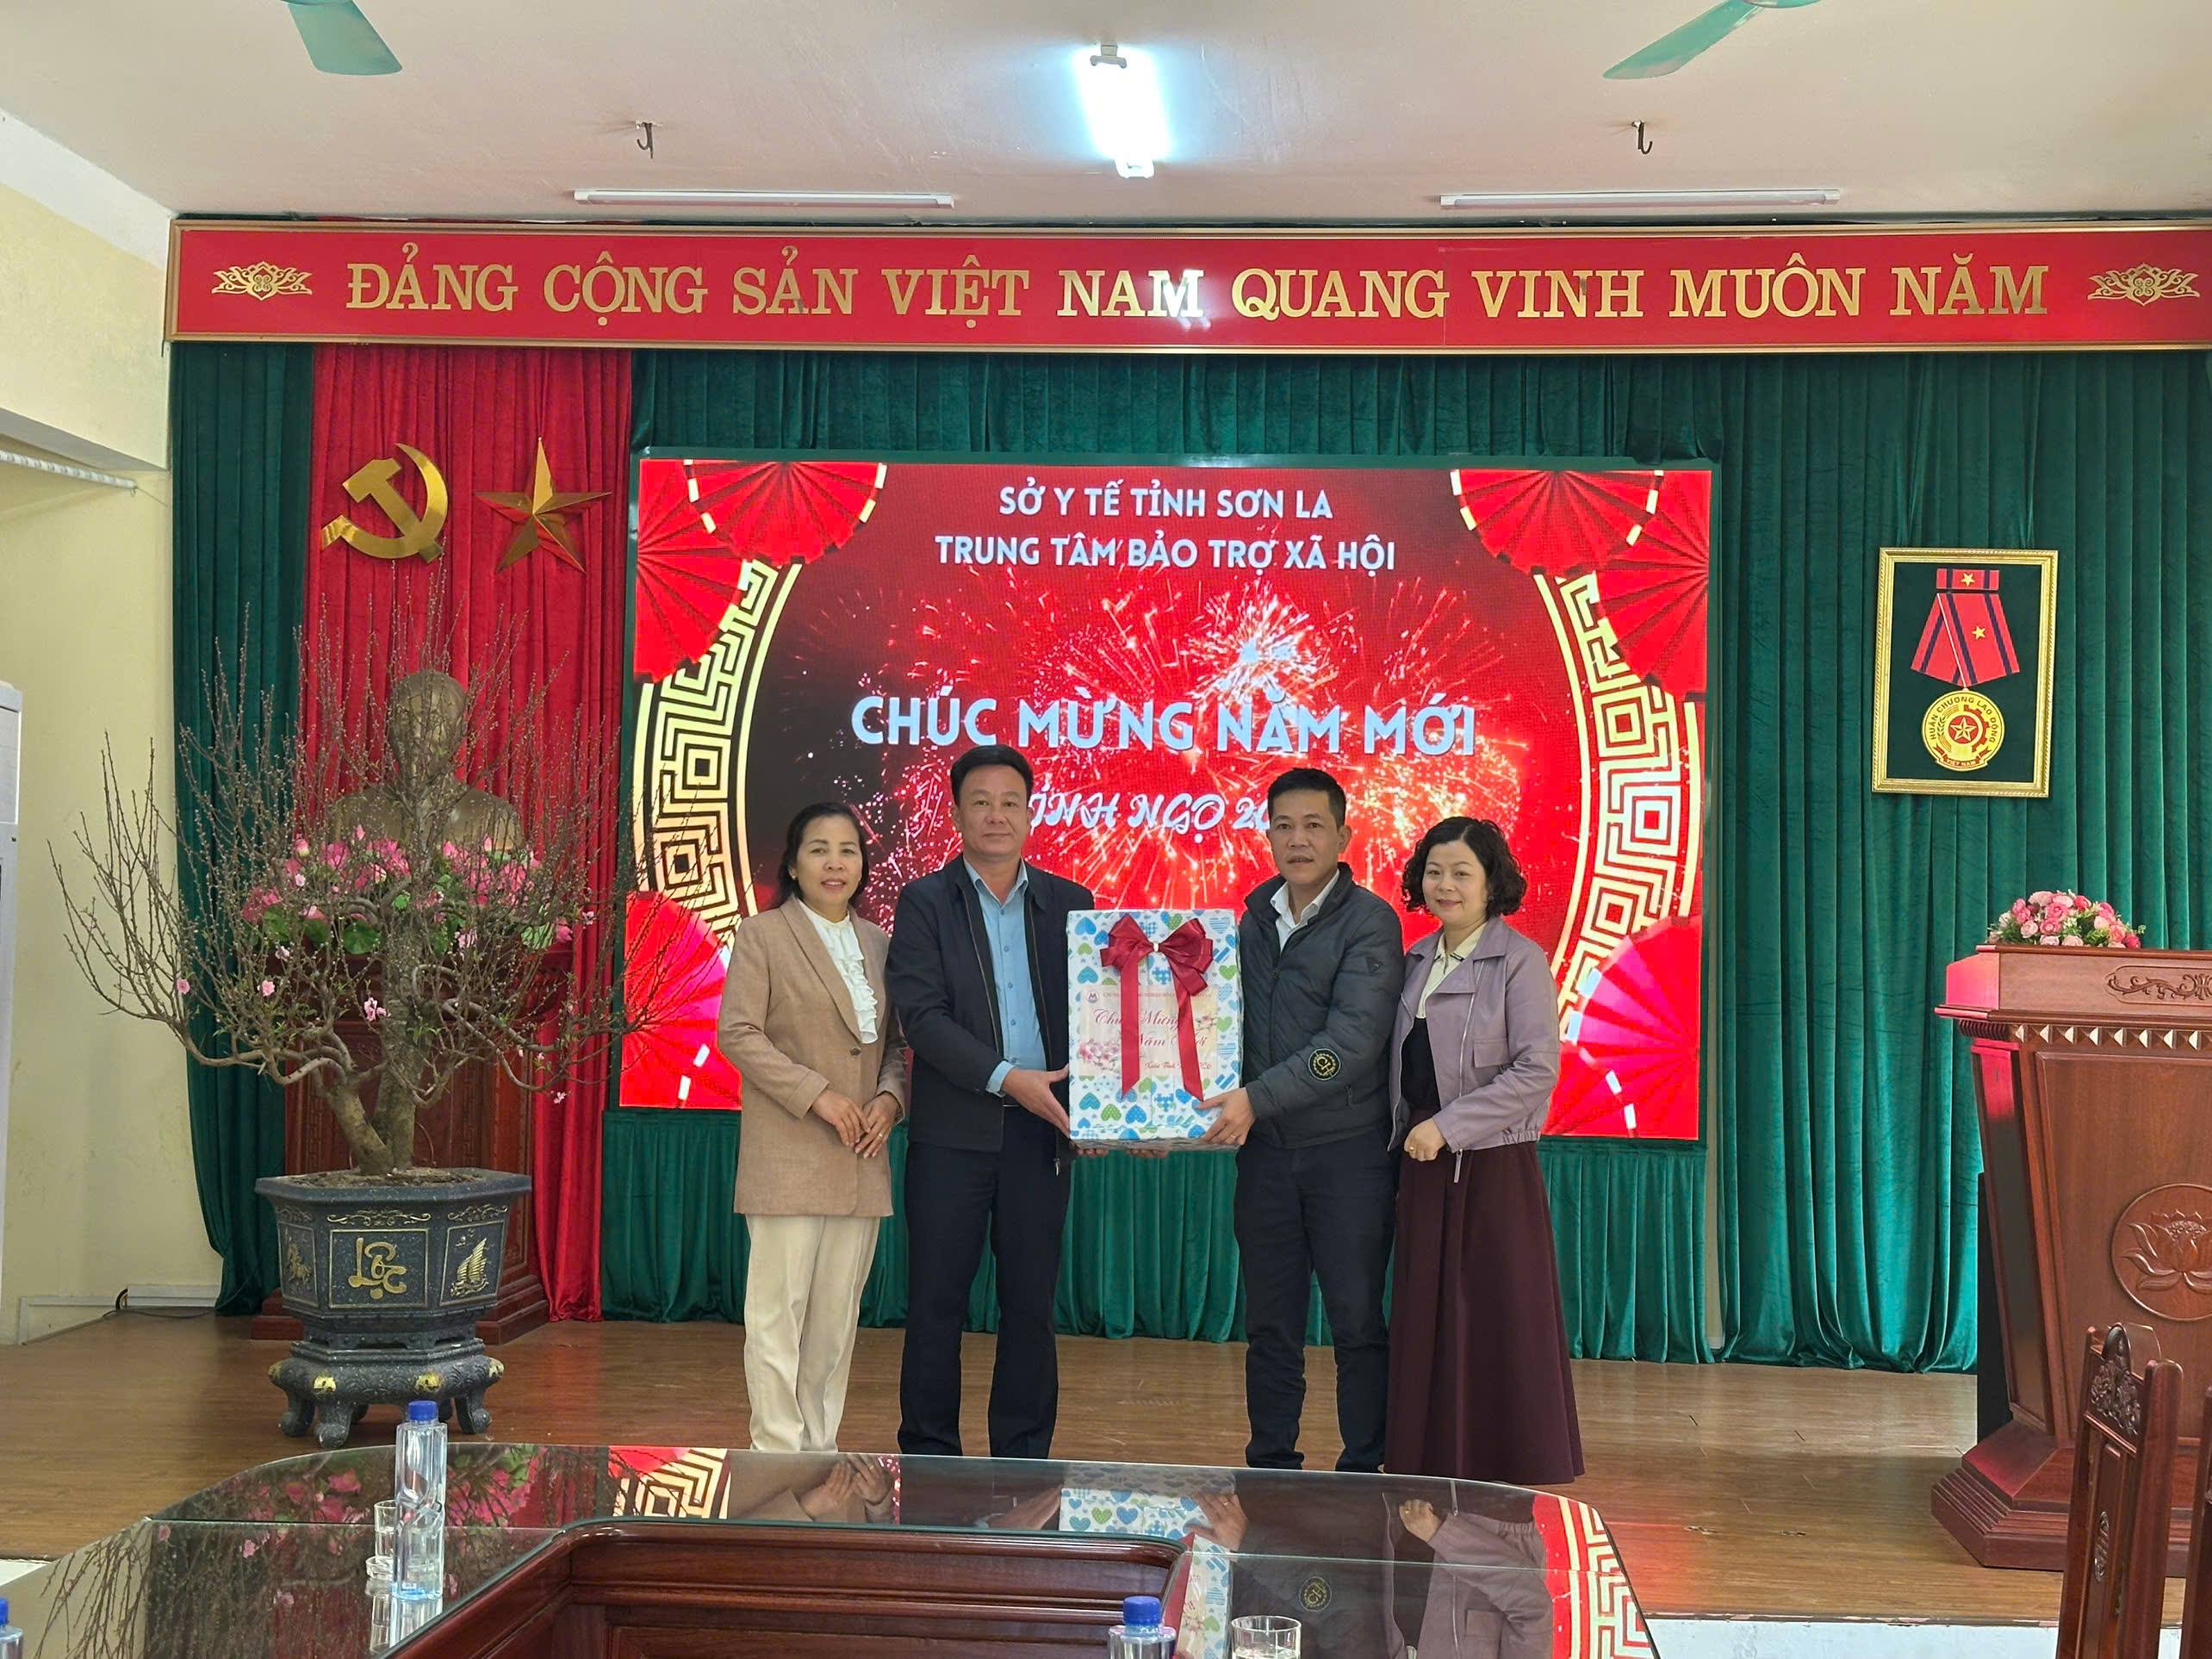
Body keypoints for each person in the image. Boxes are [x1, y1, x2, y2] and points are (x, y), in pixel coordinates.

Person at [886, 744, 1095, 1459]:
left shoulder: (1071, 905)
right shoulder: (924, 902)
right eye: (980, 802)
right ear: (955, 815)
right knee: (936, 1304)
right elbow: (923, 1018)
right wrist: (1009, 1078)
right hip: (952, 1135)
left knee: (1031, 1306)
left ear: (1031, 814)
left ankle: (1024, 1462)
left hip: (1042, 1135)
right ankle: (929, 1458)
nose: (996, 815)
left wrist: (1107, 1105)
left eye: (1010, 802)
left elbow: (1098, 1018)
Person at [1199, 767, 1404, 1473]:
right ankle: (1270, 1466)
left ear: (1343, 836)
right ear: (1267, 836)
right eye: (1284, 826)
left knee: (1356, 1321)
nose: (1298, 839)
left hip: (1347, 1155)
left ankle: (1365, 1470)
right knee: (1269, 1325)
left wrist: (1257, 1099)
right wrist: (1162, 1114)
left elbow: (1348, 1046)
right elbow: (1213, 1030)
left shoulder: (1370, 921)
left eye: (1314, 825)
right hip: (1266, 1157)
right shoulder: (1250, 921)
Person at [1388, 817, 1582, 1486]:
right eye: (1434, 872)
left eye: (1462, 873)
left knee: (1496, 1315)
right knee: (1427, 1315)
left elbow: (1537, 1070)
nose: (1446, 885)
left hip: (1491, 1164)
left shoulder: (1520, 960)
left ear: (1492, 881)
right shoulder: (1415, 960)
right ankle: (1427, 1460)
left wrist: (1449, 1126)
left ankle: (1503, 1461)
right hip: (1421, 1165)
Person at [716, 803, 907, 1454]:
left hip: (861, 1157)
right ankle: (776, 1453)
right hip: (789, 1153)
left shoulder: (880, 944)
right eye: (818, 849)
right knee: (777, 1317)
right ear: (794, 864)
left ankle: (819, 1451)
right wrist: (818, 1095)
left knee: (834, 1322)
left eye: (848, 850)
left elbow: (895, 1047)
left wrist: (890, 1101)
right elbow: (738, 1032)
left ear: (863, 864)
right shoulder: (762, 935)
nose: (834, 863)